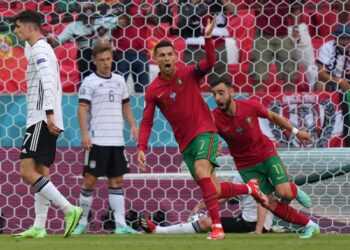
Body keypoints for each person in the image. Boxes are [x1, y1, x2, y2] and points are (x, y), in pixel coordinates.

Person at [136, 16, 268, 240]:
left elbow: (209, 63)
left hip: (205, 131)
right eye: (162, 55)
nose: (167, 58)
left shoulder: (188, 74)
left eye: (170, 54)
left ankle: (217, 228)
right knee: (213, 190)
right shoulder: (153, 90)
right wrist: (141, 147)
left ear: (176, 57)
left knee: (200, 171)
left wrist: (208, 38)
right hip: (185, 142)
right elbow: (147, 121)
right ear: (155, 59)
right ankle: (250, 189)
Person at [209, 77, 320, 239]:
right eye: (214, 94)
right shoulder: (214, 117)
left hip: (266, 154)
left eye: (221, 93)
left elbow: (273, 117)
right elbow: (211, 137)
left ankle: (294, 190)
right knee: (267, 202)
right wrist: (214, 147)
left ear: (231, 91)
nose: (218, 98)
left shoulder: (249, 105)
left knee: (285, 193)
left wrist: (297, 132)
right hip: (246, 165)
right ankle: (311, 226)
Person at [12, 10, 82, 239]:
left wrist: (49, 113)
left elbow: (48, 81)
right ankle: (40, 225)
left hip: (41, 117)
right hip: (45, 116)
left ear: (30, 28)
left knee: (26, 171)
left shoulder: (40, 49)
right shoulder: (41, 47)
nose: (15, 31)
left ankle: (68, 209)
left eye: (18, 26)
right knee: (42, 171)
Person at [73, 42, 139, 235]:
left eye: (109, 59)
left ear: (112, 59)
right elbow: (83, 108)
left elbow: (126, 105)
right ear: (94, 61)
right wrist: (85, 134)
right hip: (97, 140)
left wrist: (133, 125)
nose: (106, 63)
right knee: (90, 181)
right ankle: (82, 222)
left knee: (117, 181)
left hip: (117, 140)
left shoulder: (119, 80)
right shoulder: (89, 82)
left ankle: (120, 225)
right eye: (101, 60)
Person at [139, 175, 274, 234]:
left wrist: (258, 230)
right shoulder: (240, 176)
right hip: (246, 220)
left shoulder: (257, 174)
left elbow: (262, 202)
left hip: (252, 223)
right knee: (205, 222)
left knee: (205, 222)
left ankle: (158, 230)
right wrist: (201, 205)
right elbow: (227, 196)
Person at [47, 3, 118, 82]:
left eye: (91, 18)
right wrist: (51, 40)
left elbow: (125, 20)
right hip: (85, 55)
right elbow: (58, 41)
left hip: (105, 53)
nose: (88, 20)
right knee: (86, 80)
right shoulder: (73, 26)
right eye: (85, 17)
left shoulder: (105, 21)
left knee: (109, 79)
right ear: (81, 16)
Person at [246, 0, 302, 92]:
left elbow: (295, 8)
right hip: (263, 35)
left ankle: (288, 104)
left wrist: (295, 28)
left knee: (290, 76)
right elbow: (252, 6)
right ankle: (258, 104)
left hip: (283, 35)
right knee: (258, 76)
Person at [316, 24, 350, 92]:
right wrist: (340, 81)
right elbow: (321, 74)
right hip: (332, 81)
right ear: (335, 38)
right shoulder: (327, 47)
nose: (345, 42)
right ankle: (321, 102)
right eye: (342, 38)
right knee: (321, 84)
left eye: (348, 39)